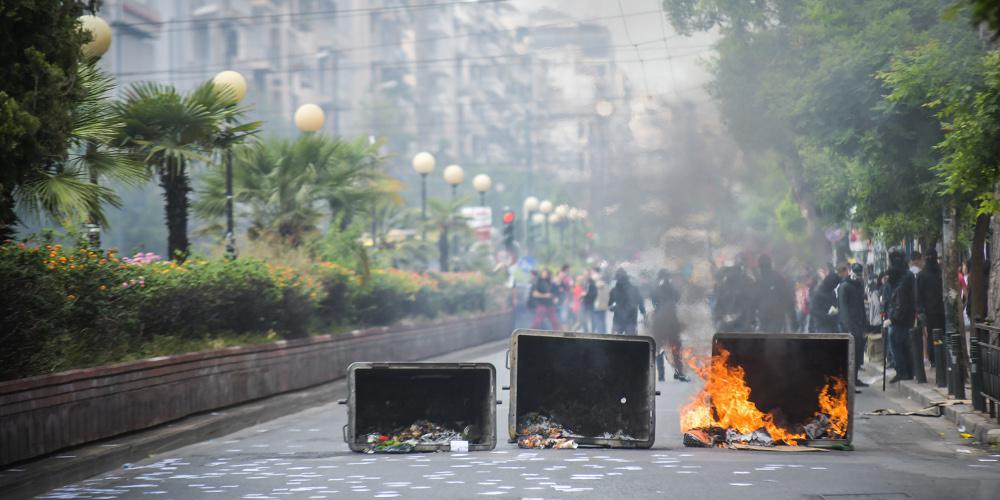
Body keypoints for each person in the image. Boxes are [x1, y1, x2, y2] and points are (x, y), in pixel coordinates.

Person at [651, 269, 689, 382]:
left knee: (659, 348)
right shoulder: (672, 288)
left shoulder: (655, 288)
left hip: (659, 323)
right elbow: (677, 298)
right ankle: (679, 372)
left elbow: (654, 302)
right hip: (671, 322)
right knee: (675, 348)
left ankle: (661, 375)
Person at [885, 248, 915, 383]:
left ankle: (902, 371)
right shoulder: (907, 274)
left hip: (900, 320)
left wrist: (892, 318)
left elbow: (900, 303)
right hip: (905, 318)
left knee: (897, 345)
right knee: (903, 345)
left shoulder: (901, 280)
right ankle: (908, 371)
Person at [838, 263, 869, 389]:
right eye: (856, 273)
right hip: (849, 324)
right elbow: (843, 307)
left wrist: (865, 322)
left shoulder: (859, 285)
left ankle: (854, 379)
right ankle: (848, 382)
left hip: (859, 322)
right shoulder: (844, 286)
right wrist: (848, 326)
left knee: (858, 352)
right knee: (850, 354)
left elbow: (861, 304)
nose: (858, 275)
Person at [754, 255, 798, 332]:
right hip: (773, 316)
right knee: (771, 339)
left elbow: (753, 300)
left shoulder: (758, 280)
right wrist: (793, 318)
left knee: (766, 339)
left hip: (769, 316)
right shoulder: (778, 278)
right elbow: (788, 298)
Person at [916, 248, 944, 368]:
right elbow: (918, 296)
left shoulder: (938, 273)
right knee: (935, 336)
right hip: (933, 312)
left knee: (936, 337)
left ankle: (936, 359)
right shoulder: (938, 272)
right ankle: (936, 359)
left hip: (936, 312)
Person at [712, 256, 756, 331]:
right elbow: (752, 301)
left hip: (731, 320)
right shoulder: (748, 281)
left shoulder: (724, 283)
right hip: (742, 321)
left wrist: (718, 318)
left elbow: (718, 302)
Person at [609, 268, 645, 335]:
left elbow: (610, 306)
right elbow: (640, 302)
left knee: (613, 342)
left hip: (618, 321)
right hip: (631, 320)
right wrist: (643, 311)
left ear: (616, 279)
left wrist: (613, 307)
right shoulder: (635, 289)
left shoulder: (614, 290)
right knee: (632, 342)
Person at [810, 268, 842, 333]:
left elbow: (835, 303)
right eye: (834, 284)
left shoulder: (831, 291)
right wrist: (827, 316)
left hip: (832, 323)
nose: (835, 286)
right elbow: (814, 310)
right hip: (822, 325)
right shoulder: (818, 292)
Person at [591, 268, 610, 333]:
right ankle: (605, 335)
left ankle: (600, 336)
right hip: (604, 306)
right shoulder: (605, 286)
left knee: (598, 321)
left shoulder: (594, 286)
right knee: (603, 321)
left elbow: (593, 296)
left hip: (597, 306)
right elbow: (608, 296)